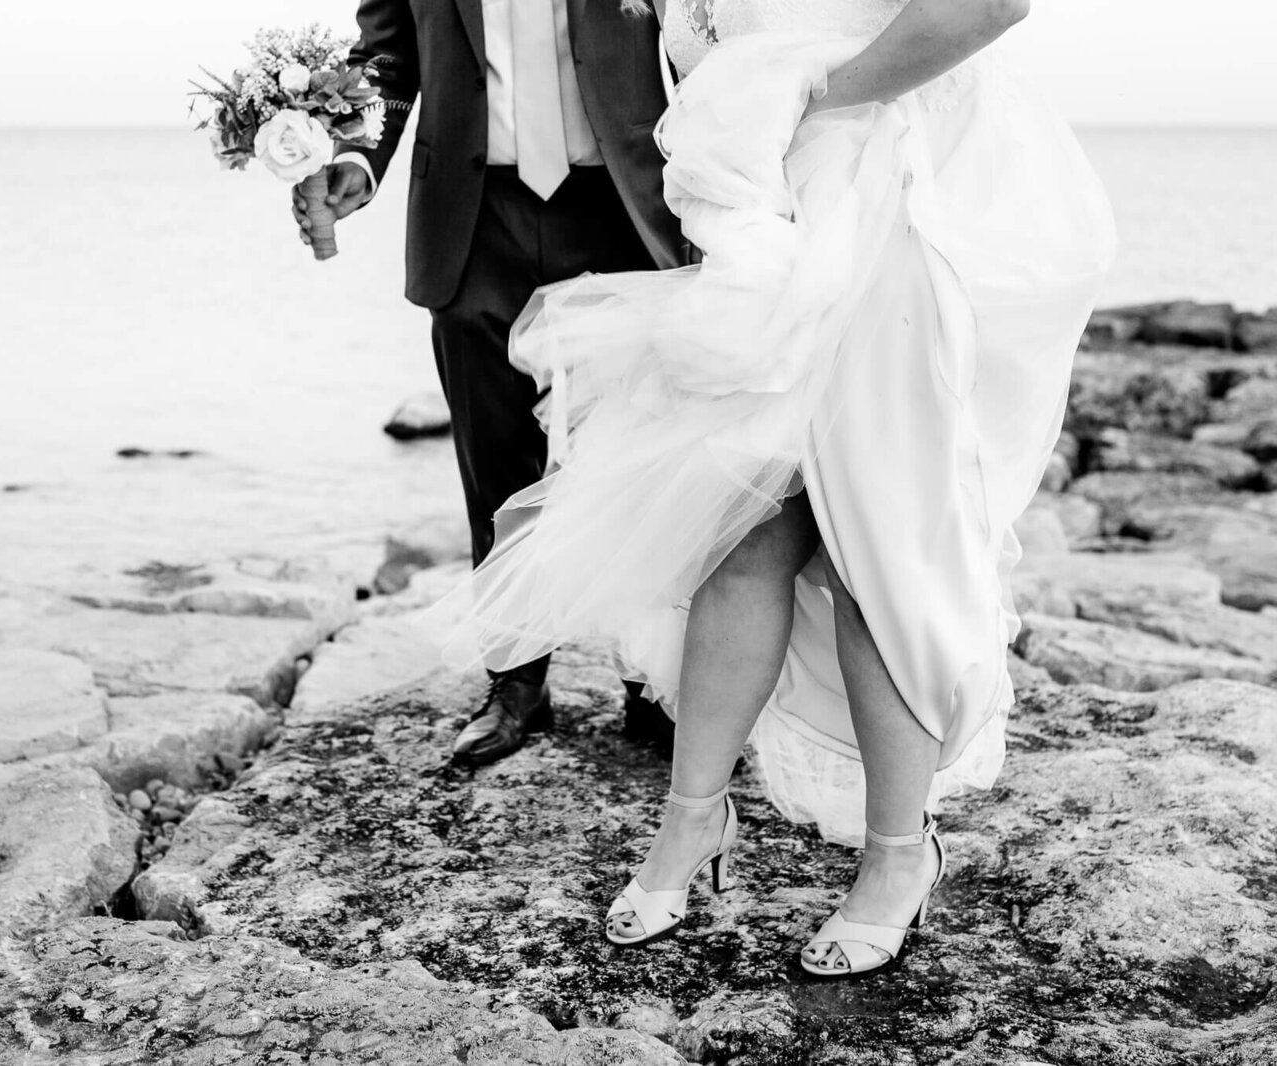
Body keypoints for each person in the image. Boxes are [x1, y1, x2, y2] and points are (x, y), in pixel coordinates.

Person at [439, 0, 1115, 976]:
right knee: (742, 526)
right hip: (768, 207)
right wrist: (742, 116)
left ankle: (897, 855)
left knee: (867, 541)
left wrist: (809, 89)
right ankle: (691, 825)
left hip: (889, 198)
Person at [292, 0, 691, 764]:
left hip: (626, 205)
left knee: (641, 456)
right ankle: (517, 685)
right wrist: (356, 159)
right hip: (473, 215)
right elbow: (387, 59)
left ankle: (654, 677)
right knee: (494, 460)